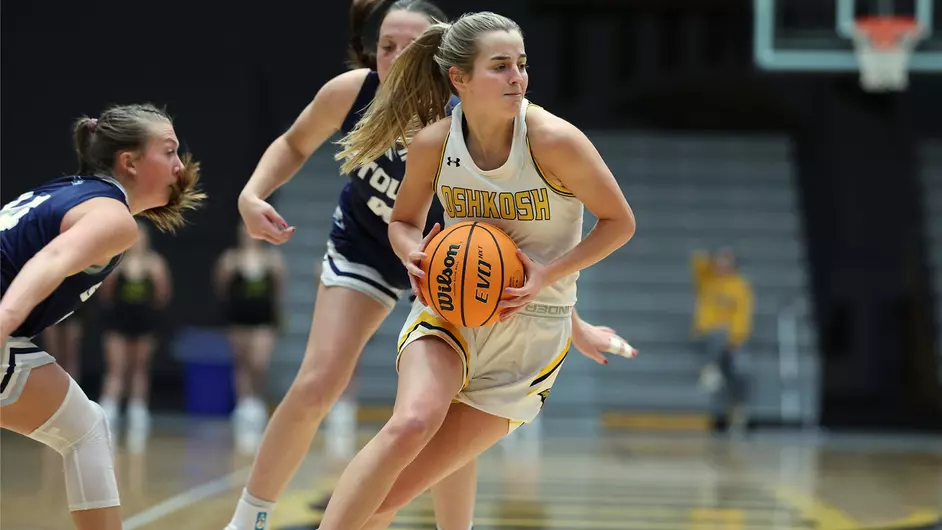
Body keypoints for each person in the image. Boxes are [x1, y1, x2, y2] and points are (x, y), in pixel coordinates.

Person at [226, 3, 630, 529]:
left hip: (496, 305)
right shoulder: (396, 117)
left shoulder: (526, 133)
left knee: (418, 469)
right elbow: (320, 160)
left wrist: (571, 320)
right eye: (385, 45)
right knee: (374, 403)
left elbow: (546, 246)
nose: (393, 57)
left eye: (522, 63)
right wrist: (255, 194)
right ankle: (249, 519)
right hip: (399, 266)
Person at [0, 103, 204, 530]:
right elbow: (51, 259)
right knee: (85, 431)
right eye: (169, 151)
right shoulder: (112, 217)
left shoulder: (69, 191)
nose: (179, 165)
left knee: (85, 427)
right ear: (129, 161)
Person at [97, 219, 172, 450]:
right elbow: (106, 294)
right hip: (119, 321)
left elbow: (162, 295)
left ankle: (137, 412)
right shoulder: (117, 262)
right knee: (116, 368)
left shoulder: (156, 264)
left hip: (144, 322)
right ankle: (107, 413)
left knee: (139, 368)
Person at [214, 223, 286, 453]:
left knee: (259, 362)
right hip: (239, 318)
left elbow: (279, 289)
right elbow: (222, 288)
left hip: (263, 319)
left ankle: (257, 402)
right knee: (242, 362)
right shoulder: (230, 259)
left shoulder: (272, 259)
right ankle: (244, 405)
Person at [691, 247, 753, 433]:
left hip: (732, 340)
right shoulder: (707, 280)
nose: (722, 265)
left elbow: (743, 315)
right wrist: (711, 262)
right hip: (707, 335)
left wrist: (734, 338)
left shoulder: (740, 285)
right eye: (719, 260)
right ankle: (711, 368)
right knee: (717, 334)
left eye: (726, 261)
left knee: (741, 369)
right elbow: (696, 261)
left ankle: (738, 410)